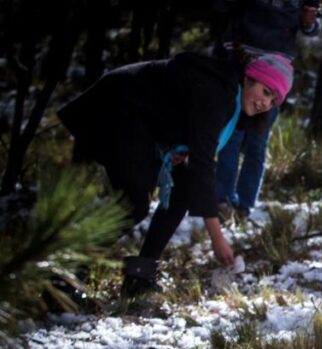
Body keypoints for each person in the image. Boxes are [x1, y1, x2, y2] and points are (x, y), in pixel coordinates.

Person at [57, 51, 293, 295]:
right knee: (133, 204)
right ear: (250, 78)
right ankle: (65, 271)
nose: (266, 104)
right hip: (114, 109)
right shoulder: (220, 90)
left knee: (183, 191)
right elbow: (203, 164)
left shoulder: (232, 97)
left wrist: (179, 147)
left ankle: (141, 275)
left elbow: (189, 130)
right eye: (266, 92)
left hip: (140, 124)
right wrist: (216, 237)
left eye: (273, 101)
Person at [212, 0, 321, 223]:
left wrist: (310, 21)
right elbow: (221, 7)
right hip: (239, 62)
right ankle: (222, 201)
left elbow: (313, 26)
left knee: (257, 141)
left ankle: (243, 207)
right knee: (231, 134)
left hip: (274, 71)